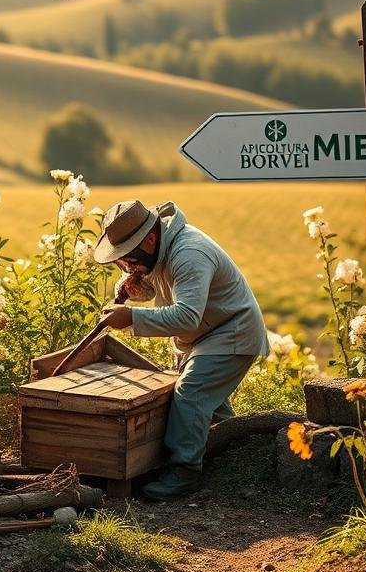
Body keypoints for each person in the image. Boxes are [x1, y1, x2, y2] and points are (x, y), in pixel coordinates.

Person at [93, 199, 270, 500]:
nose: (127, 266)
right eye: (121, 262)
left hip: (231, 331)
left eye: (129, 260)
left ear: (149, 239)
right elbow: (156, 281)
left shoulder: (189, 253)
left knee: (191, 393)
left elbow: (188, 315)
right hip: (202, 335)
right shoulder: (157, 247)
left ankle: (184, 472)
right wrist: (135, 285)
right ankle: (236, 457)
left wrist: (132, 317)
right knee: (210, 410)